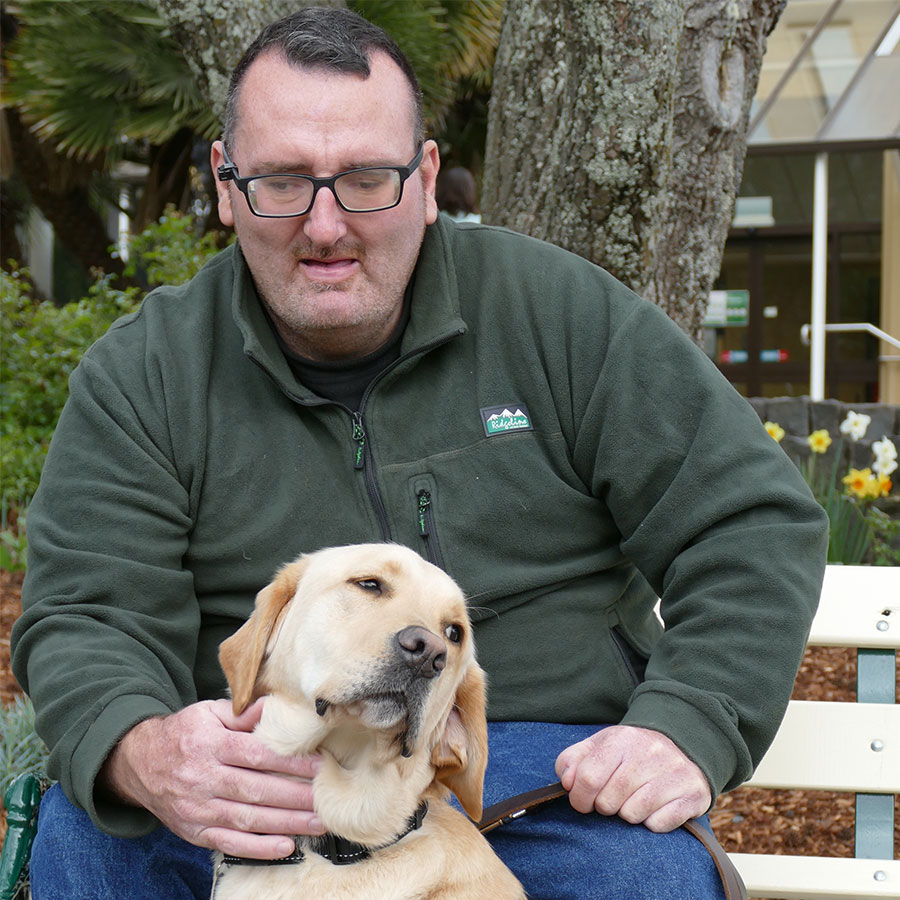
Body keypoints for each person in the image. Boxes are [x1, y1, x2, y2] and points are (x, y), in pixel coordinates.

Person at [11, 8, 828, 900]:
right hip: (264, 774)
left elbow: (750, 524)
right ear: (224, 182)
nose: (324, 227)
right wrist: (141, 747)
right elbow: (88, 613)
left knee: (649, 882)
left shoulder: (562, 318)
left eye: (366, 178)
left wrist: (686, 724)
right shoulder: (145, 373)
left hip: (536, 770)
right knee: (87, 852)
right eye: (281, 181)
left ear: (428, 177)